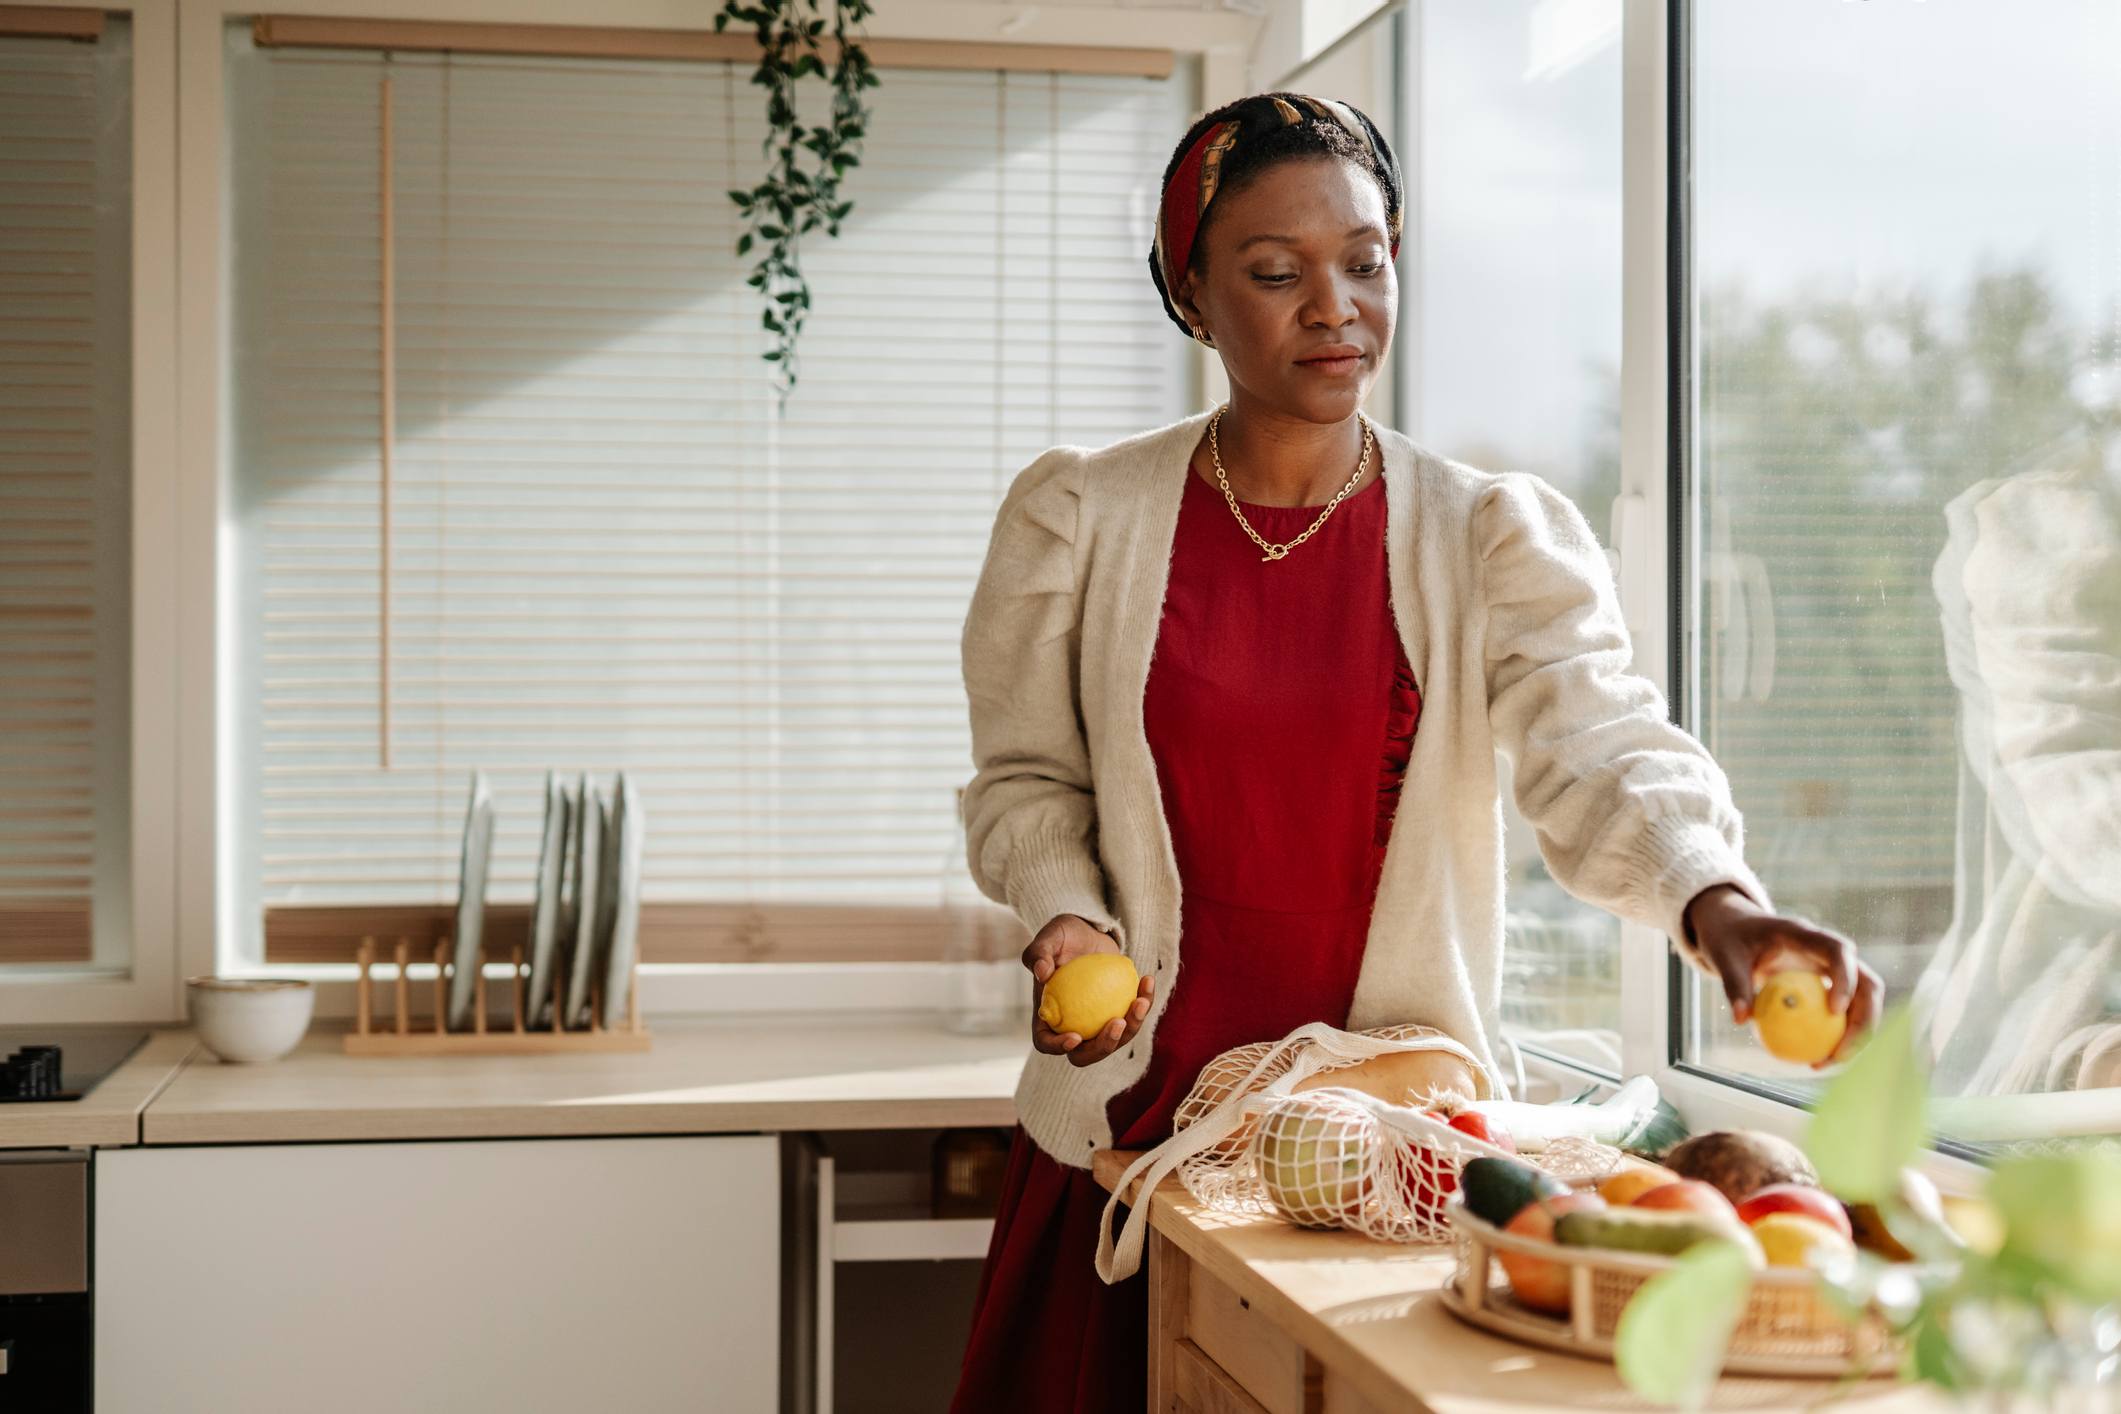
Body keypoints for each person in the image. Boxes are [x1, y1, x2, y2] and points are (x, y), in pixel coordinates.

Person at [947, 91, 1882, 1414]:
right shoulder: (1080, 519)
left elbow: (1598, 742)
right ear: (1191, 291)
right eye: (1275, 273)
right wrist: (1061, 916)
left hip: (1373, 1156)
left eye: (1366, 262)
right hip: (1132, 1129)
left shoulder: (1483, 531)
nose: (1334, 306)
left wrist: (1717, 905)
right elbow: (1026, 781)